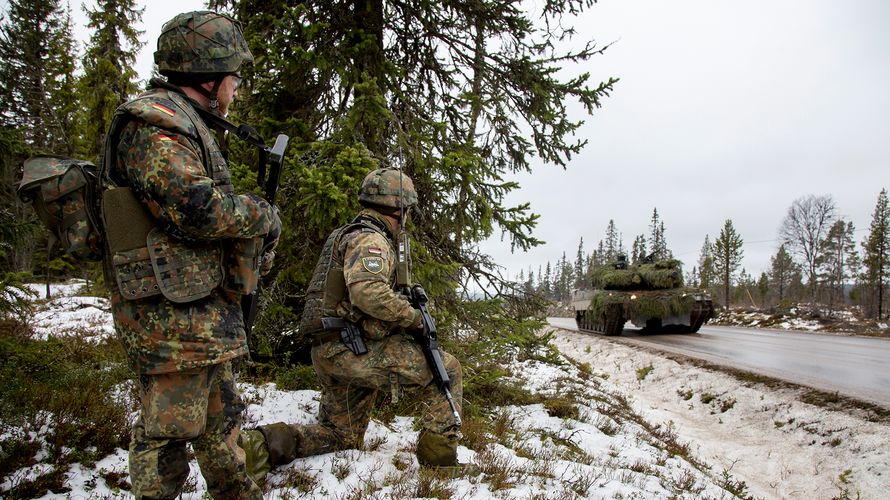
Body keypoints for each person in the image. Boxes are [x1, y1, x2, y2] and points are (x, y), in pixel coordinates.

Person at [101, 10, 278, 499]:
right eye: (234, 77)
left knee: (221, 424)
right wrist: (263, 215)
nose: (237, 88)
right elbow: (197, 209)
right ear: (210, 75)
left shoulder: (184, 121)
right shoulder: (154, 123)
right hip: (168, 315)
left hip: (193, 307)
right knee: (167, 437)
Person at [240, 168, 465, 479]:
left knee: (338, 436)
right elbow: (366, 292)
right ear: (399, 208)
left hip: (333, 349)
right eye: (408, 209)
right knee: (447, 369)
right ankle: (440, 463)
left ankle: (256, 447)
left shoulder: (349, 233)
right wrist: (413, 319)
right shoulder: (371, 239)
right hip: (350, 351)